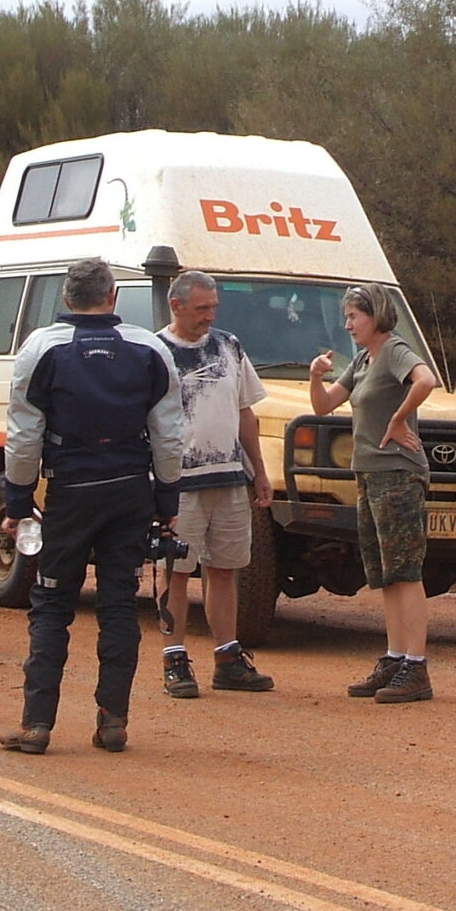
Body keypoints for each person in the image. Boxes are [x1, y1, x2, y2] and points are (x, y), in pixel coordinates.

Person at [0, 257, 185, 754]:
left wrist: (18, 499)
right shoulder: (148, 347)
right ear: (113, 296)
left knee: (53, 602)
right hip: (130, 488)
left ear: (66, 297)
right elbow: (169, 433)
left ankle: (37, 724)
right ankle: (113, 720)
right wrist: (168, 497)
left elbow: (22, 435)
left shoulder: (41, 347)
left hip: (71, 490)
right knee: (120, 604)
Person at [307, 283, 438, 703]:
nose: (347, 325)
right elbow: (324, 406)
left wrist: (400, 420)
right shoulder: (363, 360)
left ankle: (416, 667)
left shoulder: (395, 350)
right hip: (368, 475)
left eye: (353, 317)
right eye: (346, 317)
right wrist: (314, 378)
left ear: (375, 316)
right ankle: (395, 657)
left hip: (397, 474)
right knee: (384, 573)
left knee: (405, 569)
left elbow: (426, 380)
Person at [153, 270, 276, 698]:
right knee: (176, 570)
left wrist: (258, 470)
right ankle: (174, 659)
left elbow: (246, 412)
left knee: (225, 568)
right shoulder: (156, 351)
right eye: (201, 308)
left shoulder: (229, 345)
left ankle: (227, 657)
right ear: (177, 305)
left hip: (227, 477)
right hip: (178, 482)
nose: (209, 315)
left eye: (213, 308)